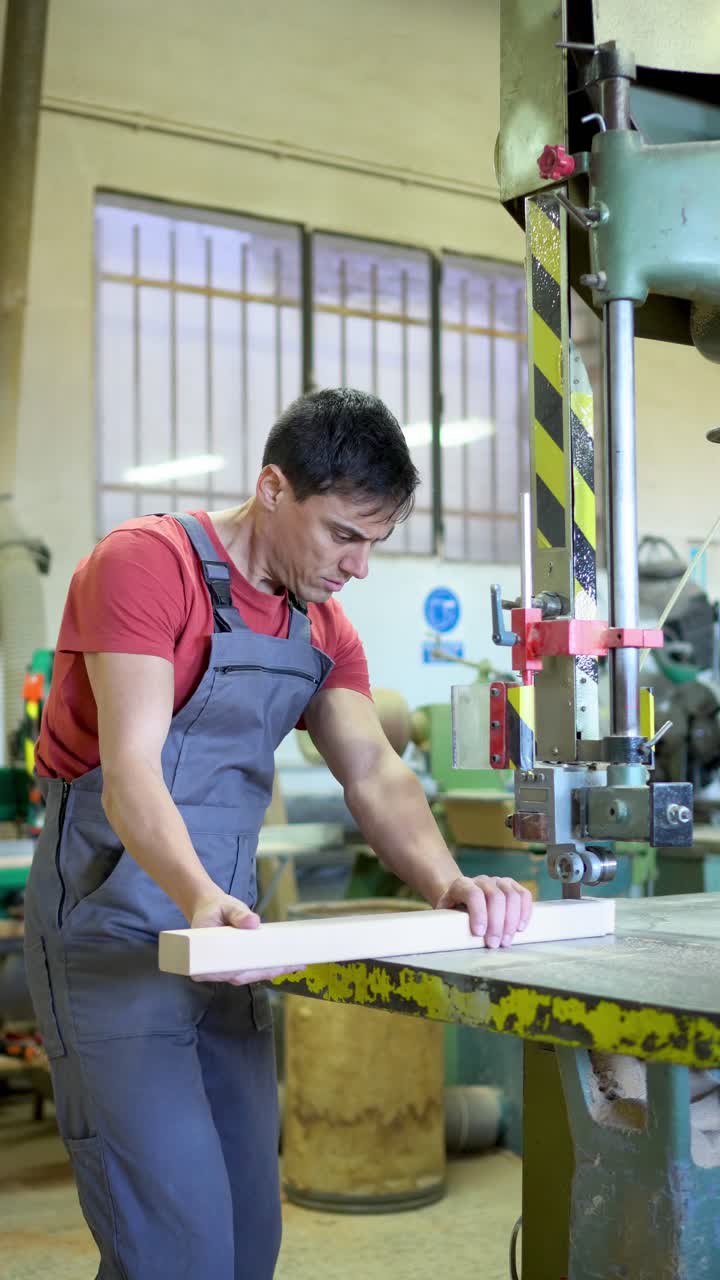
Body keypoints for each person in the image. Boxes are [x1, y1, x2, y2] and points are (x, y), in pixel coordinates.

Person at [24, 387, 533, 1279]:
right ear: (271, 488)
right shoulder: (146, 565)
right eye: (344, 534)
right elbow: (131, 770)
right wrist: (196, 897)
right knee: (173, 1250)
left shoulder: (319, 622)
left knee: (249, 1242)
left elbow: (373, 771)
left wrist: (451, 885)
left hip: (229, 943)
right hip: (112, 933)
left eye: (375, 541)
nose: (360, 566)